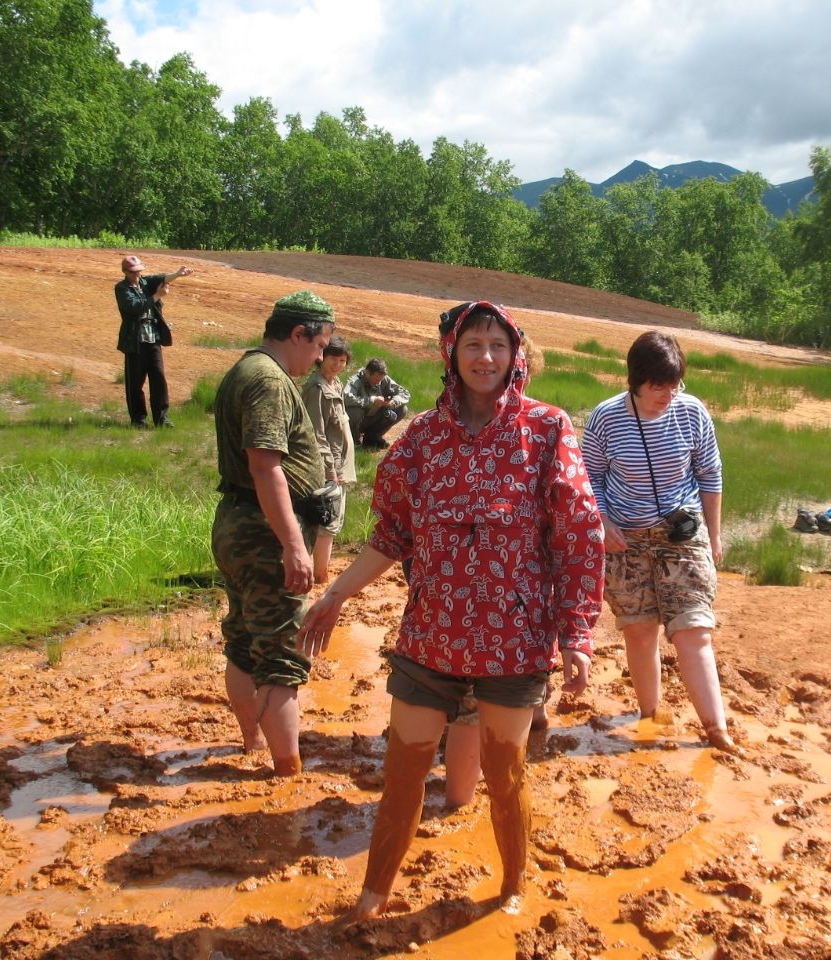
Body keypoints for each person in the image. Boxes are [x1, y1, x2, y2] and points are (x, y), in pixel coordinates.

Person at [298, 300, 604, 921]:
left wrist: (576, 632)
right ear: (451, 355)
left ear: (515, 354)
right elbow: (392, 537)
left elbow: (578, 534)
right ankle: (373, 894)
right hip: (430, 638)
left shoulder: (546, 429)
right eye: (473, 346)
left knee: (506, 772)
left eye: (497, 345)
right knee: (403, 773)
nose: (485, 357)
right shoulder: (422, 440)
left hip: (513, 640)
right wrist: (335, 594)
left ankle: (512, 885)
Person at [581, 330, 738, 754]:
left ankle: (716, 729)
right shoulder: (606, 417)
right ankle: (650, 715)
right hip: (624, 539)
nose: (666, 395)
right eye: (657, 386)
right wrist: (603, 519)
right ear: (635, 380)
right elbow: (589, 476)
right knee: (639, 630)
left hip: (681, 534)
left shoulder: (692, 412)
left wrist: (715, 534)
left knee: (693, 629)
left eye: (674, 385)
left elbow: (710, 474)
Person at [211, 290, 338, 778]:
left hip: (240, 522)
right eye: (318, 344)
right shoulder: (267, 380)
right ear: (297, 333)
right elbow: (266, 466)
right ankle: (287, 770)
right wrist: (292, 546)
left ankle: (252, 745)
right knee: (281, 652)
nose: (320, 357)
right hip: (264, 532)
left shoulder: (247, 370)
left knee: (245, 638)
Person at [301, 336, 357, 584]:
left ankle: (318, 571)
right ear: (322, 357)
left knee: (332, 521)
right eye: (334, 359)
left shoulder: (336, 385)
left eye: (343, 360)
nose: (338, 364)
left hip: (340, 464)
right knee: (327, 522)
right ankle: (319, 575)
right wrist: (330, 470)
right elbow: (317, 433)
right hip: (329, 466)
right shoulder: (316, 389)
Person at [114, 254, 192, 428]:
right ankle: (138, 420)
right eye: (133, 272)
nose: (137, 275)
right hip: (134, 341)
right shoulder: (121, 288)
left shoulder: (144, 282)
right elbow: (134, 308)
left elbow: (162, 278)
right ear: (125, 272)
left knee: (158, 378)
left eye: (139, 271)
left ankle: (161, 419)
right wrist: (157, 296)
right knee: (135, 383)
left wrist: (178, 274)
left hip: (152, 338)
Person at [343, 357, 411, 449]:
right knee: (355, 412)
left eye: (380, 381)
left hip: (375, 416)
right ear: (367, 373)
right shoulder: (355, 381)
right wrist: (371, 401)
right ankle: (354, 440)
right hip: (359, 420)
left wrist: (394, 402)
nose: (378, 383)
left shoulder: (384, 380)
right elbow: (345, 397)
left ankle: (372, 437)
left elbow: (405, 393)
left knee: (402, 409)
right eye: (375, 380)